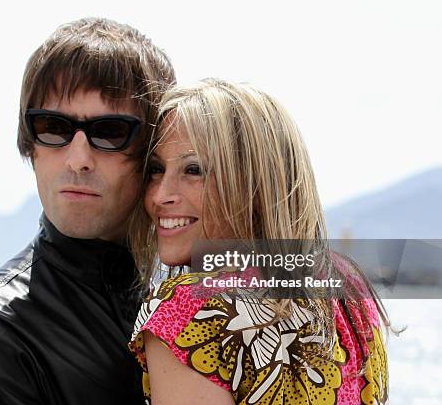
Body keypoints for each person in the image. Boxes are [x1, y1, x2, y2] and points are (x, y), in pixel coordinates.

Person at [0, 18, 175, 405]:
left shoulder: (192, 291)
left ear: (151, 151)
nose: (78, 160)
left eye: (109, 131)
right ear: (31, 145)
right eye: (53, 126)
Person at [128, 79, 390, 404]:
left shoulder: (189, 310)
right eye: (156, 169)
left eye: (193, 170)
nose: (161, 195)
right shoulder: (347, 288)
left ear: (255, 183)